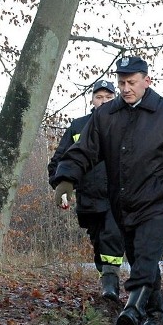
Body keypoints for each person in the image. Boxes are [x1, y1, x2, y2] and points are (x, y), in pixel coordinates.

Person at [51, 56, 163, 325]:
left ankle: (133, 310)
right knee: (139, 255)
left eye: (131, 82)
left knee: (145, 254)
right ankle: (156, 313)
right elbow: (84, 151)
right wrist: (66, 178)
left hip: (158, 200)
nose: (125, 88)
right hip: (122, 201)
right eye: (121, 83)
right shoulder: (107, 116)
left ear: (146, 81)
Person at [48, 80, 124, 302]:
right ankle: (106, 282)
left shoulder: (126, 124)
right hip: (88, 197)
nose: (104, 101)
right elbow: (59, 161)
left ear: (116, 98)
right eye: (99, 97)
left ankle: (112, 284)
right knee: (99, 241)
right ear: (92, 99)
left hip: (117, 196)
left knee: (113, 235)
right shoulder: (78, 126)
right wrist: (62, 187)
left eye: (109, 97)